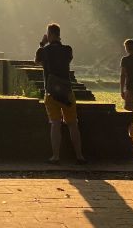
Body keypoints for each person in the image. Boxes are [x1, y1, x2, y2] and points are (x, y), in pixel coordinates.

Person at [36, 23, 86, 165]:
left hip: (51, 92)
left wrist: (42, 43)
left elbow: (37, 61)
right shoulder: (67, 50)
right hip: (67, 92)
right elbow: (67, 59)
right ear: (59, 34)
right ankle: (79, 156)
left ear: (49, 35)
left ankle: (56, 156)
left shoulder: (44, 50)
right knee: (73, 124)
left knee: (55, 124)